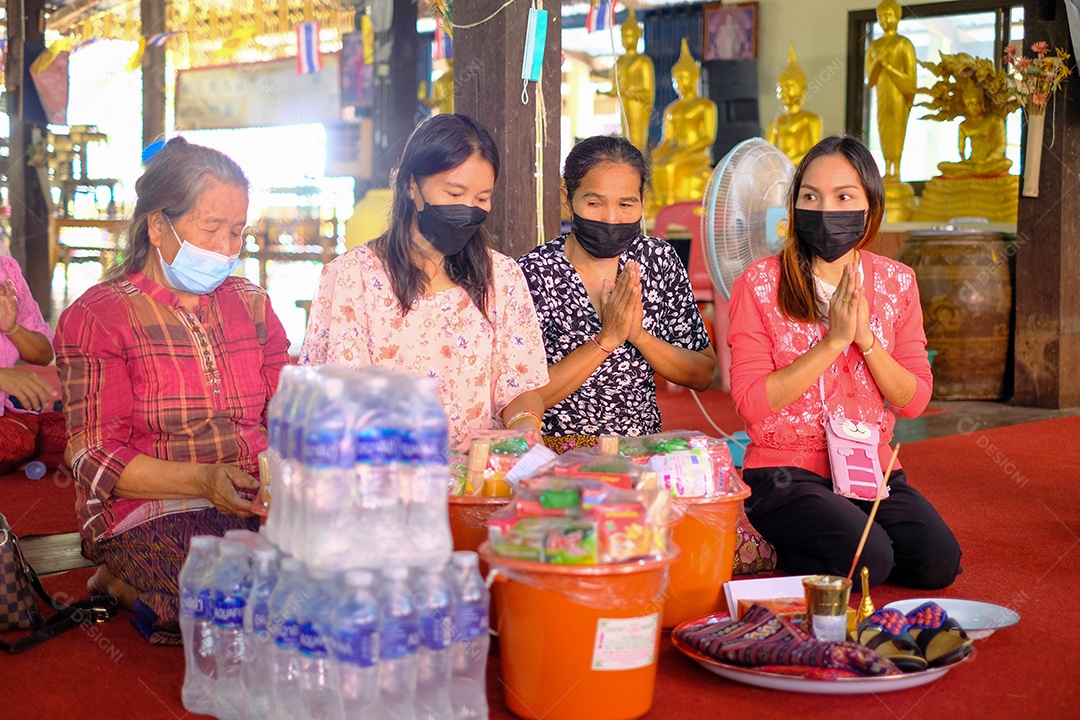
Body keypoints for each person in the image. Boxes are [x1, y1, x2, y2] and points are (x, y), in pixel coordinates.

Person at [54, 138, 290, 643]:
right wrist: (204, 481)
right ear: (158, 225)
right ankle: (118, 580)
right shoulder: (99, 315)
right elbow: (95, 456)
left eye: (237, 232)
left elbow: (286, 413)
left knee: (341, 577)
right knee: (226, 605)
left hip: (252, 498)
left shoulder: (251, 305)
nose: (228, 248)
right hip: (151, 508)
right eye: (211, 228)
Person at [726, 136, 961, 589]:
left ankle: (841, 542)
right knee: (870, 559)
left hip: (869, 469)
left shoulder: (897, 282)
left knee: (938, 562)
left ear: (870, 207)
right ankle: (781, 539)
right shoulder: (759, 284)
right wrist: (832, 343)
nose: (825, 209)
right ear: (794, 205)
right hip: (784, 474)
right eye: (810, 196)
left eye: (844, 197)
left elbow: (914, 401)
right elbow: (751, 404)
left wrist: (867, 342)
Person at [301, 113, 547, 449]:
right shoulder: (350, 278)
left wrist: (525, 428)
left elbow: (520, 389)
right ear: (411, 186)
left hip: (477, 479)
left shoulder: (502, 277)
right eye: (454, 192)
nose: (468, 210)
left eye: (481, 199)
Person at [518, 135, 714, 442]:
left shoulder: (657, 260)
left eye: (626, 204)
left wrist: (639, 337)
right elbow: (520, 400)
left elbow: (703, 373)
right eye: (594, 203)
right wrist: (605, 340)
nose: (611, 219)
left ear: (643, 202)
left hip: (640, 448)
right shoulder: (533, 273)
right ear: (567, 198)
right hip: (560, 452)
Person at [0, 256, 64, 473]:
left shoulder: (7, 271)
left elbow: (44, 354)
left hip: (6, 416)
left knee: (78, 434)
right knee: (16, 441)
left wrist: (11, 328)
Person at [650, 39, 718, 211]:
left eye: (684, 77)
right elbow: (668, 138)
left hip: (696, 153)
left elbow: (708, 137)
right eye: (676, 79)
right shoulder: (671, 109)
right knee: (657, 164)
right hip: (677, 151)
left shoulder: (705, 105)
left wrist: (684, 151)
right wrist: (658, 152)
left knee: (670, 165)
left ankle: (671, 207)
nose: (680, 82)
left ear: (694, 77)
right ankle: (661, 204)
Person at [865, 0, 917, 180]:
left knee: (897, 129)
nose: (884, 20)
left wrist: (888, 66)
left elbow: (911, 79)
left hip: (898, 96)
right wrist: (878, 63)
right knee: (883, 128)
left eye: (888, 16)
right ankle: (887, 168)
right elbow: (869, 80)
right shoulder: (873, 46)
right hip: (882, 96)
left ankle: (897, 169)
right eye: (880, 17)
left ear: (897, 17)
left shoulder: (904, 43)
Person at [596, 8, 655, 155]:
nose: (627, 39)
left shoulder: (643, 61)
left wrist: (629, 91)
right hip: (624, 103)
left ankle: (638, 164)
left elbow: (647, 90)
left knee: (636, 138)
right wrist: (606, 91)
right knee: (625, 136)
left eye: (630, 35)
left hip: (637, 105)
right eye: (624, 35)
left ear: (637, 36)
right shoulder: (620, 61)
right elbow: (615, 87)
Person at [765, 44, 822, 166]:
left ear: (802, 90)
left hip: (803, 171)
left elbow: (815, 153)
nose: (783, 92)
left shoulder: (810, 119)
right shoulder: (775, 123)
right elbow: (767, 154)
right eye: (780, 88)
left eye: (789, 88)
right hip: (781, 173)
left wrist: (788, 162)